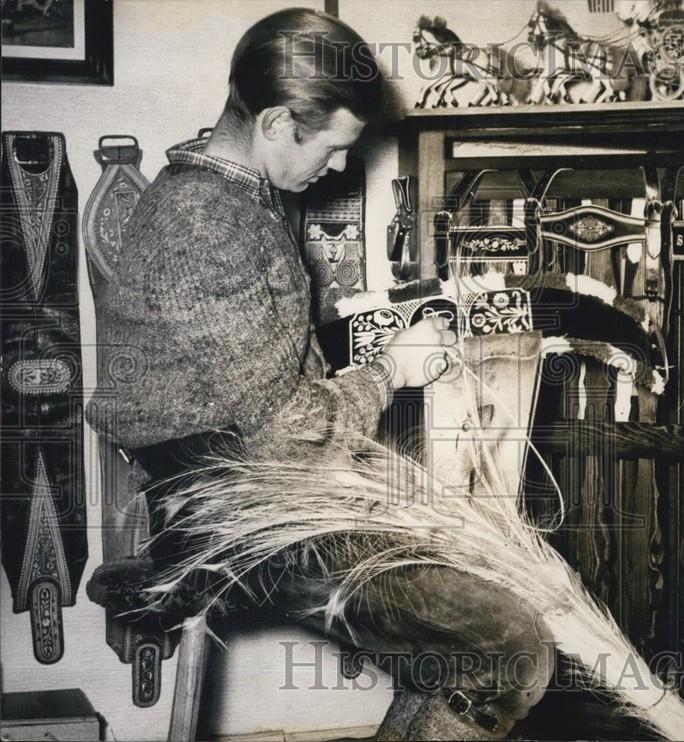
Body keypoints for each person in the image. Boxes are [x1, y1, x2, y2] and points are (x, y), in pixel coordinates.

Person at [85, 8, 553, 740]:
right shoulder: (210, 226)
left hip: (249, 489)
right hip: (233, 514)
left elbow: (261, 372)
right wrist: (389, 372)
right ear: (276, 123)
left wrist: (382, 351)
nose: (337, 168)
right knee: (508, 649)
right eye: (333, 146)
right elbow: (285, 436)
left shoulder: (224, 201)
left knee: (481, 584)